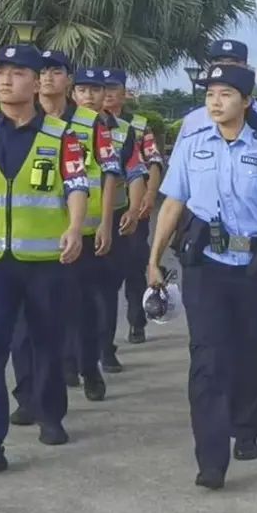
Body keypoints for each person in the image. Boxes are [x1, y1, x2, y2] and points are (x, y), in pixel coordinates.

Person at [147, 63, 257, 490]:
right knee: (208, 360)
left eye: (226, 94)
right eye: (210, 94)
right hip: (206, 266)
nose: (216, 102)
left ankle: (246, 427)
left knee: (253, 352)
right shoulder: (192, 145)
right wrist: (153, 257)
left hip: (255, 267)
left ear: (246, 101)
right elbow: (173, 204)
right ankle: (211, 460)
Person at [0, 44, 89, 474]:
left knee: (46, 341)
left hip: (45, 260)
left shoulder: (61, 135)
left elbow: (77, 184)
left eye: (17, 73)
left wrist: (74, 227)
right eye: (0, 73)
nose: (6, 81)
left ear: (35, 82)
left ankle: (50, 414)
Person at [9, 54, 119, 418]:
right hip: (37, 239)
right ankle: (31, 394)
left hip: (83, 234)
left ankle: (89, 367)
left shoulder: (90, 122)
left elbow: (109, 171)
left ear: (67, 80)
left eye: (56, 72)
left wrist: (105, 222)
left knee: (83, 308)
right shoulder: (24, 121)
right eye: (42, 72)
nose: (48, 78)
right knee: (30, 319)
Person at [176, 39, 257, 247]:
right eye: (219, 62)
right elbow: (179, 178)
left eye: (232, 62)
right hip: (203, 231)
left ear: (245, 66)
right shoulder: (194, 119)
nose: (225, 67)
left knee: (256, 259)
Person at [102, 72, 166, 345]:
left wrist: (149, 195)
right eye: (102, 88)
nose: (107, 94)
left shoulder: (138, 126)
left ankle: (137, 321)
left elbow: (153, 161)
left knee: (134, 265)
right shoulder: (88, 124)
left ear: (124, 92)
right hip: (102, 209)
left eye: (113, 88)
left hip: (134, 207)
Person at [98, 68, 147, 372]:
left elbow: (140, 170)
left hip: (116, 216)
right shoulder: (62, 128)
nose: (102, 95)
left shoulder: (129, 129)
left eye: (108, 88)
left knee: (113, 284)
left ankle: (107, 347)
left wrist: (137, 206)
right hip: (72, 223)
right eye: (91, 89)